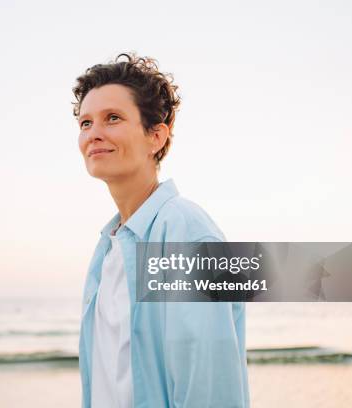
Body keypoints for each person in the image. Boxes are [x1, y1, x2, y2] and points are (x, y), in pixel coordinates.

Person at [73, 53, 249, 408]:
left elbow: (209, 385)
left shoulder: (187, 233)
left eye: (113, 118)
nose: (94, 134)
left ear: (156, 136)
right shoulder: (107, 249)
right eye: (85, 123)